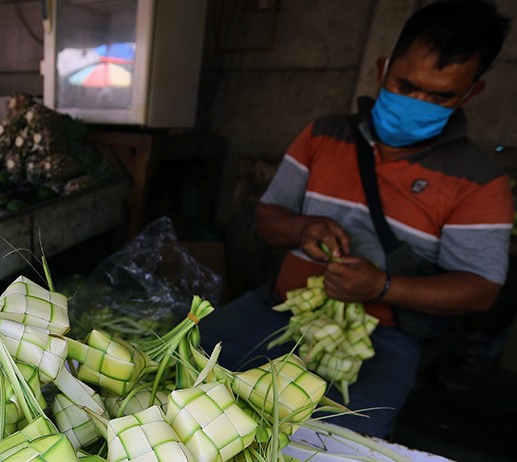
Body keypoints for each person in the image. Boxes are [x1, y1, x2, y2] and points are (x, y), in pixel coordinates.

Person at [200, 0, 512, 438]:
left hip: (379, 339)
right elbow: (268, 220)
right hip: (277, 307)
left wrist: (382, 286)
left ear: (469, 93)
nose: (417, 103)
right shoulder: (324, 134)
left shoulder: (478, 182)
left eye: (439, 96)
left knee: (335, 442)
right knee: (188, 372)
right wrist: (302, 228)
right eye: (405, 85)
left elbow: (480, 291)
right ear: (384, 69)